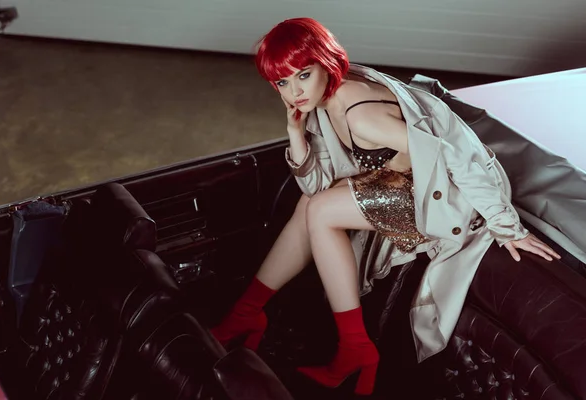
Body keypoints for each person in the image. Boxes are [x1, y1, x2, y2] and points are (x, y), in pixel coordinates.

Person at [210, 17, 560, 396]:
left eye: (303, 75)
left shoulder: (362, 115)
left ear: (324, 63)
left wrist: (506, 225)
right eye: (282, 82)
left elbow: (454, 157)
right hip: (406, 181)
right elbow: (313, 182)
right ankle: (247, 313)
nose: (294, 92)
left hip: (445, 198)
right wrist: (296, 133)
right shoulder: (325, 97)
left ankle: (355, 348)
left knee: (322, 211)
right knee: (312, 202)